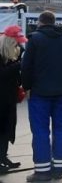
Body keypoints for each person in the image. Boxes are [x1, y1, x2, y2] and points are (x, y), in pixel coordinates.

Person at [21, 10, 62, 182]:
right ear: (54, 22)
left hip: (40, 93)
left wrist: (27, 87)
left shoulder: (35, 39)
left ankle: (42, 171)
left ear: (40, 22)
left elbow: (26, 66)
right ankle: (58, 169)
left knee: (40, 131)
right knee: (61, 130)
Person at [0, 25, 26, 173]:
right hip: (2, 98)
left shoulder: (16, 52)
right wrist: (18, 65)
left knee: (7, 128)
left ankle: (3, 156)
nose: (18, 44)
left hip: (9, 98)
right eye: (16, 42)